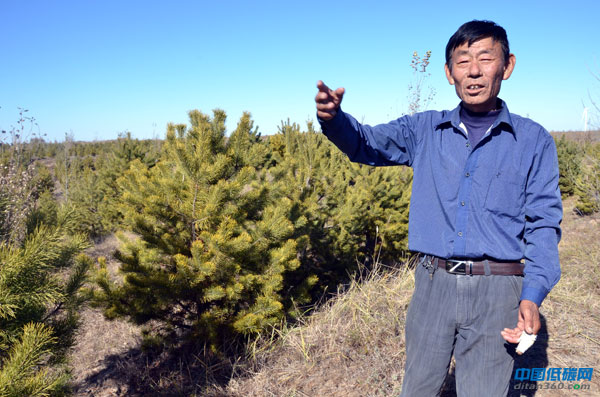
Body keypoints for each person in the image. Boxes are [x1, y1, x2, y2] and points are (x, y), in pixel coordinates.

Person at [314, 20, 562, 396]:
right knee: (418, 388)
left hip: (498, 289)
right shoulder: (424, 130)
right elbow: (366, 143)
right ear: (449, 73)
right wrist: (334, 121)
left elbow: (543, 223)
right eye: (463, 61)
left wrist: (533, 293)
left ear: (507, 66)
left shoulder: (533, 140)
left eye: (485, 58)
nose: (474, 70)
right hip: (433, 285)